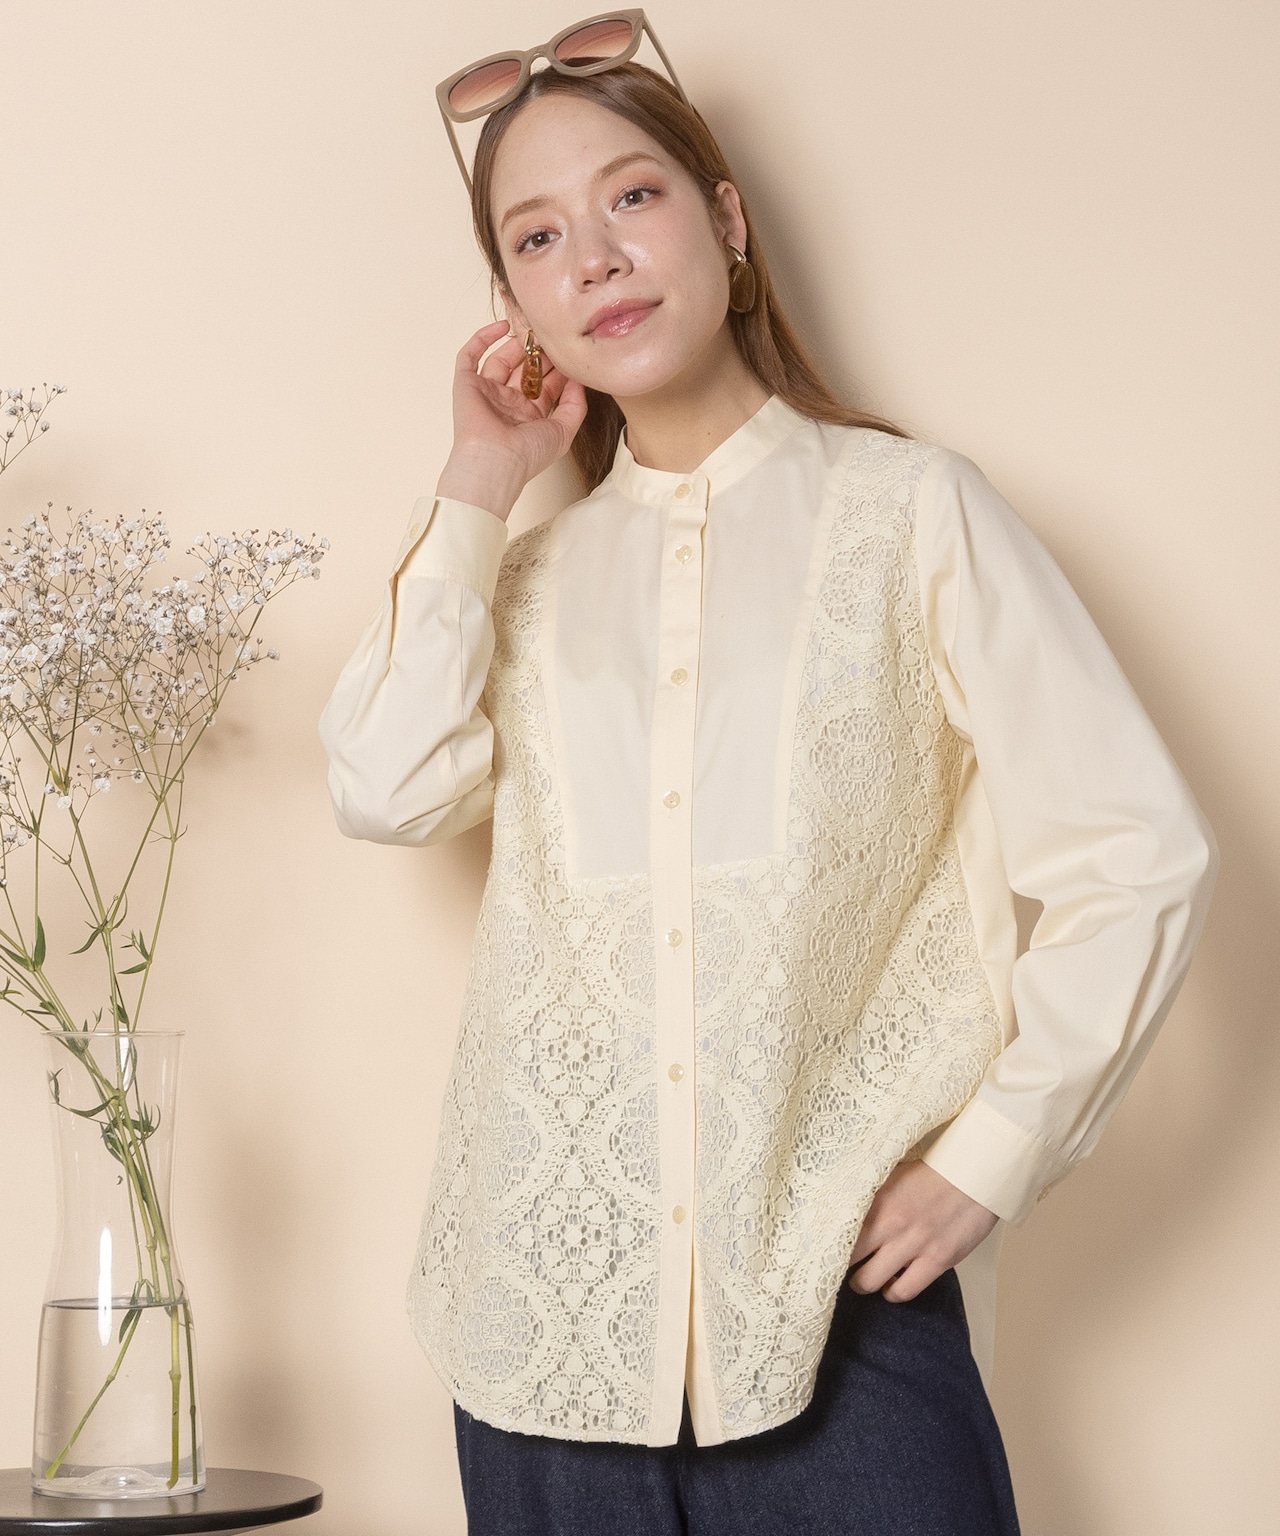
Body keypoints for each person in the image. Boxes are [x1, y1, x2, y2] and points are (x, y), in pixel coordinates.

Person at [318, 14, 1218, 1534]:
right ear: (514, 306)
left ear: (726, 221)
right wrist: (479, 479)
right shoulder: (519, 581)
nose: (596, 258)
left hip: (838, 1311)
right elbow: (385, 786)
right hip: (543, 1326)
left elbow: (1138, 855)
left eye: (633, 196)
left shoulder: (913, 515)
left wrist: (995, 1154)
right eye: (538, 237)